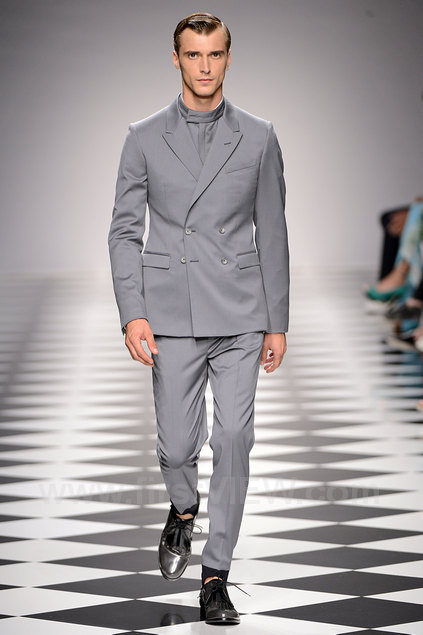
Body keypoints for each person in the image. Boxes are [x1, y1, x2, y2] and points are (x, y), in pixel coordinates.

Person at [108, 12, 289, 625]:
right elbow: (124, 231)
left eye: (214, 55)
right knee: (177, 447)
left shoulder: (259, 136)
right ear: (176, 59)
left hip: (240, 310)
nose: (205, 66)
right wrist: (132, 313)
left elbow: (273, 232)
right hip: (171, 310)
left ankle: (216, 576)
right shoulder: (143, 136)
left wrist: (277, 320)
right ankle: (183, 509)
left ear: (229, 58)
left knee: (234, 438)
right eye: (193, 55)